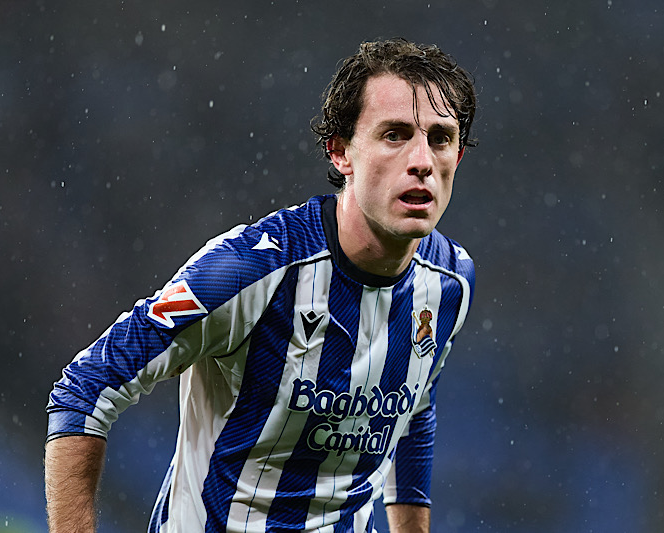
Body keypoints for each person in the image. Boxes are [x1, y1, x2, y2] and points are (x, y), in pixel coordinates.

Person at [45, 37, 478, 533]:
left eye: (440, 138)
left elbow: (414, 412)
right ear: (341, 152)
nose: (422, 160)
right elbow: (87, 386)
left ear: (457, 156)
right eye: (395, 135)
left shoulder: (450, 282)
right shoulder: (251, 269)